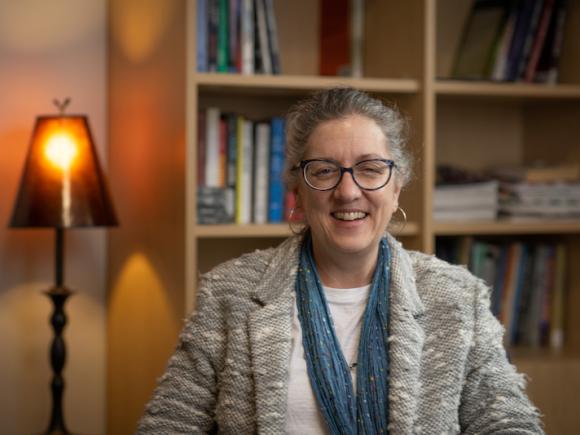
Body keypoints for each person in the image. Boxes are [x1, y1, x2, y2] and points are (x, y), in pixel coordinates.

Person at [138, 87, 543, 434]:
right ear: (298, 189)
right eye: (325, 170)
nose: (348, 192)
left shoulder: (458, 297)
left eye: (369, 169)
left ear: (397, 187)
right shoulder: (230, 294)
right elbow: (167, 425)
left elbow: (509, 423)